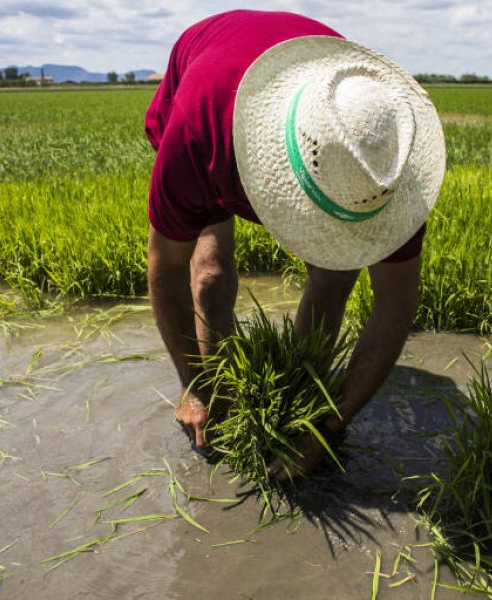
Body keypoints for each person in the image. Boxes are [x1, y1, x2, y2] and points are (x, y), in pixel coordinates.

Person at [145, 10, 445, 480]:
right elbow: (167, 267)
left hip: (319, 119)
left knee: (336, 271)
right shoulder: (199, 131)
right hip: (213, 92)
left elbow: (396, 302)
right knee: (210, 275)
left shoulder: (384, 169)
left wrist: (325, 425)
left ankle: (302, 391)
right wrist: (193, 385)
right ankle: (217, 395)